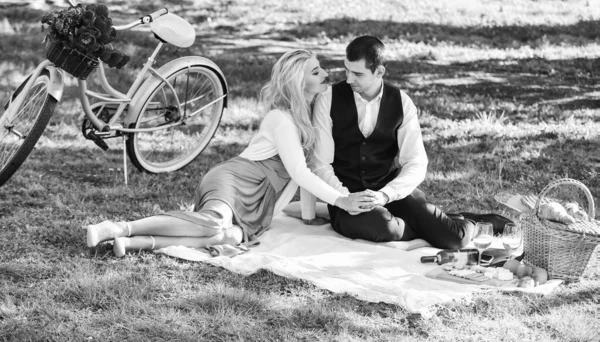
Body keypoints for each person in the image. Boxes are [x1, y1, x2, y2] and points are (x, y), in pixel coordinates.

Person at [86, 49, 375, 257]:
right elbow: (300, 172)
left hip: (261, 201)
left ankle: (137, 243)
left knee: (227, 236)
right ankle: (118, 228)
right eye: (316, 71)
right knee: (213, 223)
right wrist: (341, 200)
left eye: (321, 68)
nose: (326, 73)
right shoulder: (281, 119)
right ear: (299, 83)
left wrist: (318, 213)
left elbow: (316, 166)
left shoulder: (310, 118)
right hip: (236, 180)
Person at [302, 36, 475, 249]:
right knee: (385, 228)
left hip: (389, 189)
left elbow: (416, 162)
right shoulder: (327, 99)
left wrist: (386, 195)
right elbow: (320, 163)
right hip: (347, 194)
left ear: (379, 72)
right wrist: (345, 198)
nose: (348, 79)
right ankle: (428, 226)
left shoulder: (402, 103)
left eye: (357, 74)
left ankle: (469, 223)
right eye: (346, 70)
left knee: (455, 239)